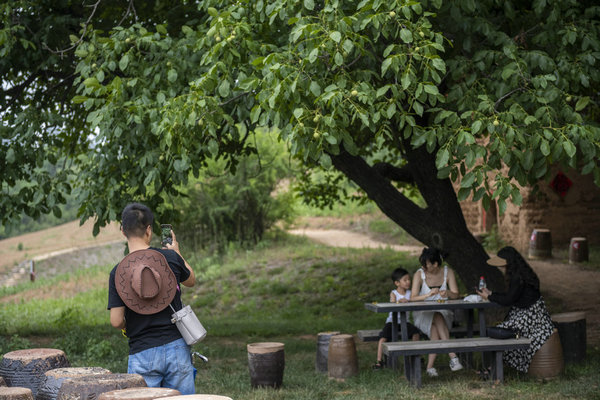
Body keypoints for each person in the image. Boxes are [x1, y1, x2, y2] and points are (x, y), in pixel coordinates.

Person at [107, 203, 197, 393]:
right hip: (177, 348)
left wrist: (127, 324)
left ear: (123, 231)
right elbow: (191, 280)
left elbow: (116, 321)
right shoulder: (169, 258)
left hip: (142, 352)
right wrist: (177, 252)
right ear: (149, 230)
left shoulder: (118, 272)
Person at [477, 246, 554, 373]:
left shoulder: (517, 278)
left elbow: (508, 300)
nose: (500, 267)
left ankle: (493, 369)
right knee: (499, 332)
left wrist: (490, 296)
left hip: (532, 317)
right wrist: (491, 294)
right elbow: (511, 297)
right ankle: (493, 368)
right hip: (530, 314)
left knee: (499, 333)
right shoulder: (522, 274)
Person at [410, 247, 463, 377]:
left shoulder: (448, 272)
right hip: (422, 314)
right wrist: (427, 295)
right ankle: (453, 357)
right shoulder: (419, 274)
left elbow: (456, 295)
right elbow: (412, 298)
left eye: (426, 264)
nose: (423, 267)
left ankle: (430, 368)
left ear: (435, 264)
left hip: (445, 314)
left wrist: (448, 293)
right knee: (437, 316)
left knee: (437, 323)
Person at [372, 267, 421, 370]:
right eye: (405, 280)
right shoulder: (394, 293)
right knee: (383, 338)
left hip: (405, 322)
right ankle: (379, 361)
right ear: (397, 283)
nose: (408, 282)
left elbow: (414, 300)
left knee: (416, 333)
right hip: (392, 322)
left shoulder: (410, 294)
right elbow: (393, 302)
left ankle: (414, 355)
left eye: (409, 279)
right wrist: (399, 301)